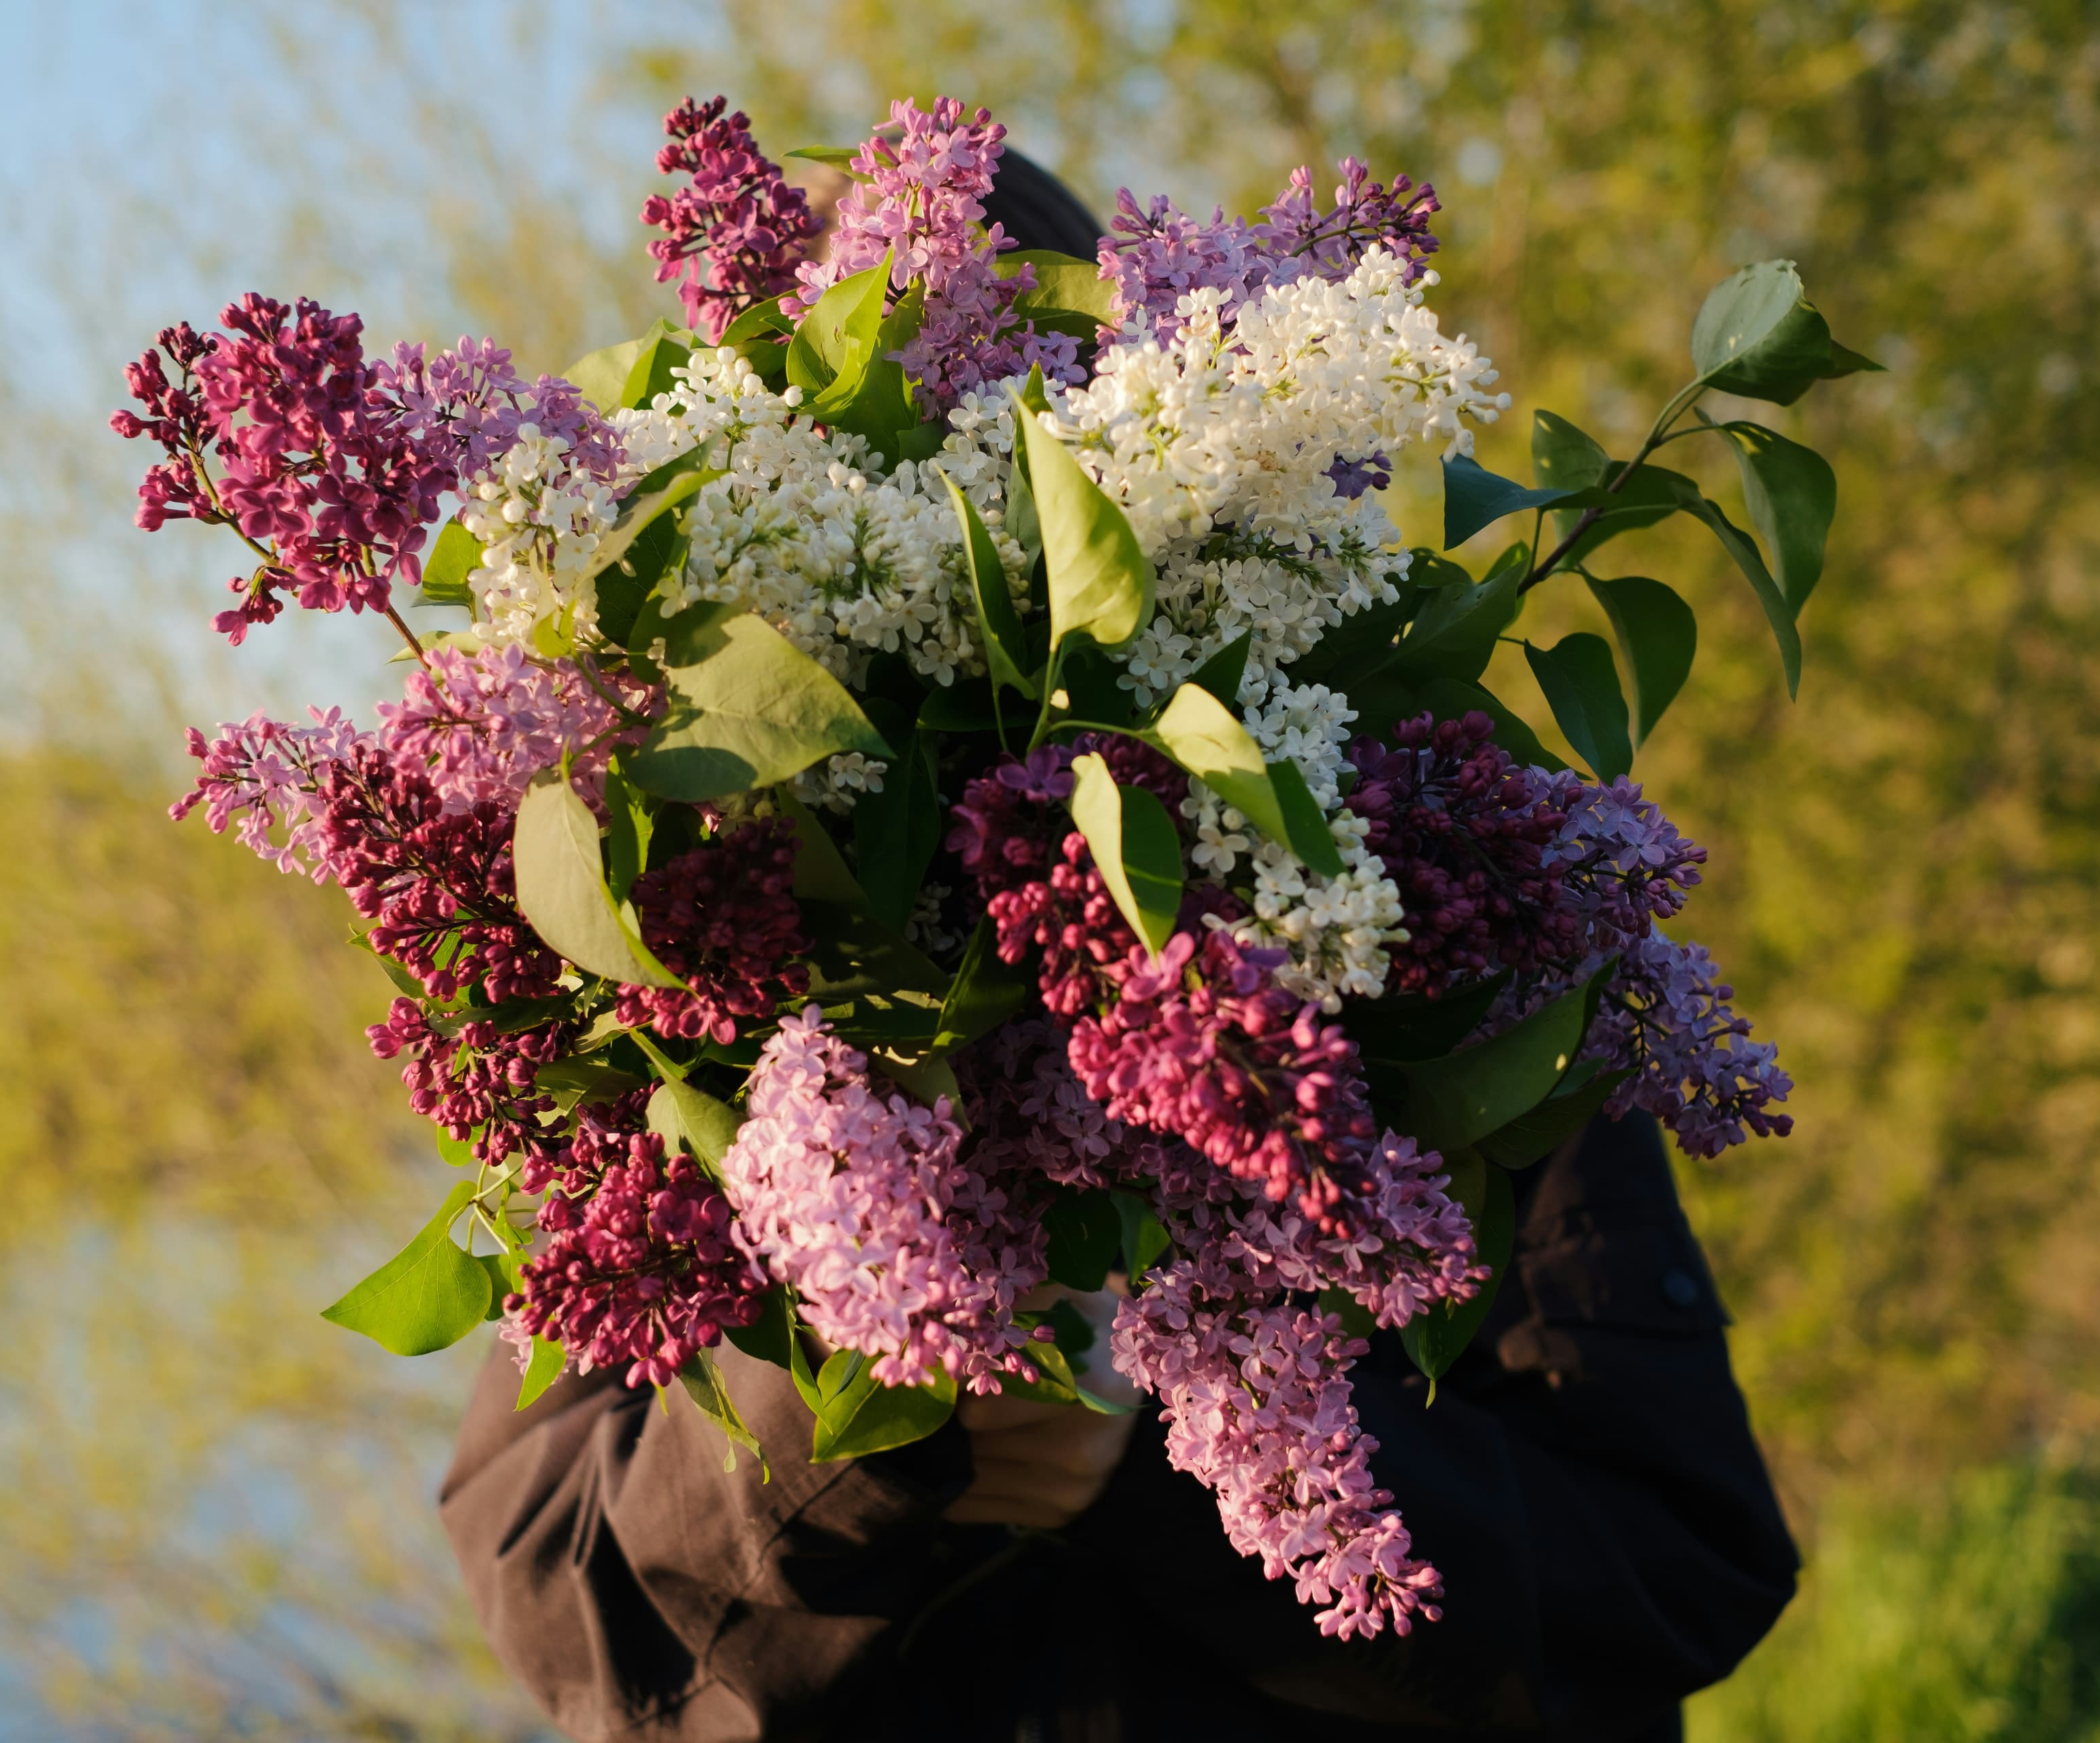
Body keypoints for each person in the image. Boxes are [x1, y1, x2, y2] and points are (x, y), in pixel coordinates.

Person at [436, 151, 1800, 1742]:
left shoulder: (1428, 900)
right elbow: (548, 1592)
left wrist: (1160, 1457)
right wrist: (863, 1439)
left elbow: (1673, 1557)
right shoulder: (667, 952)